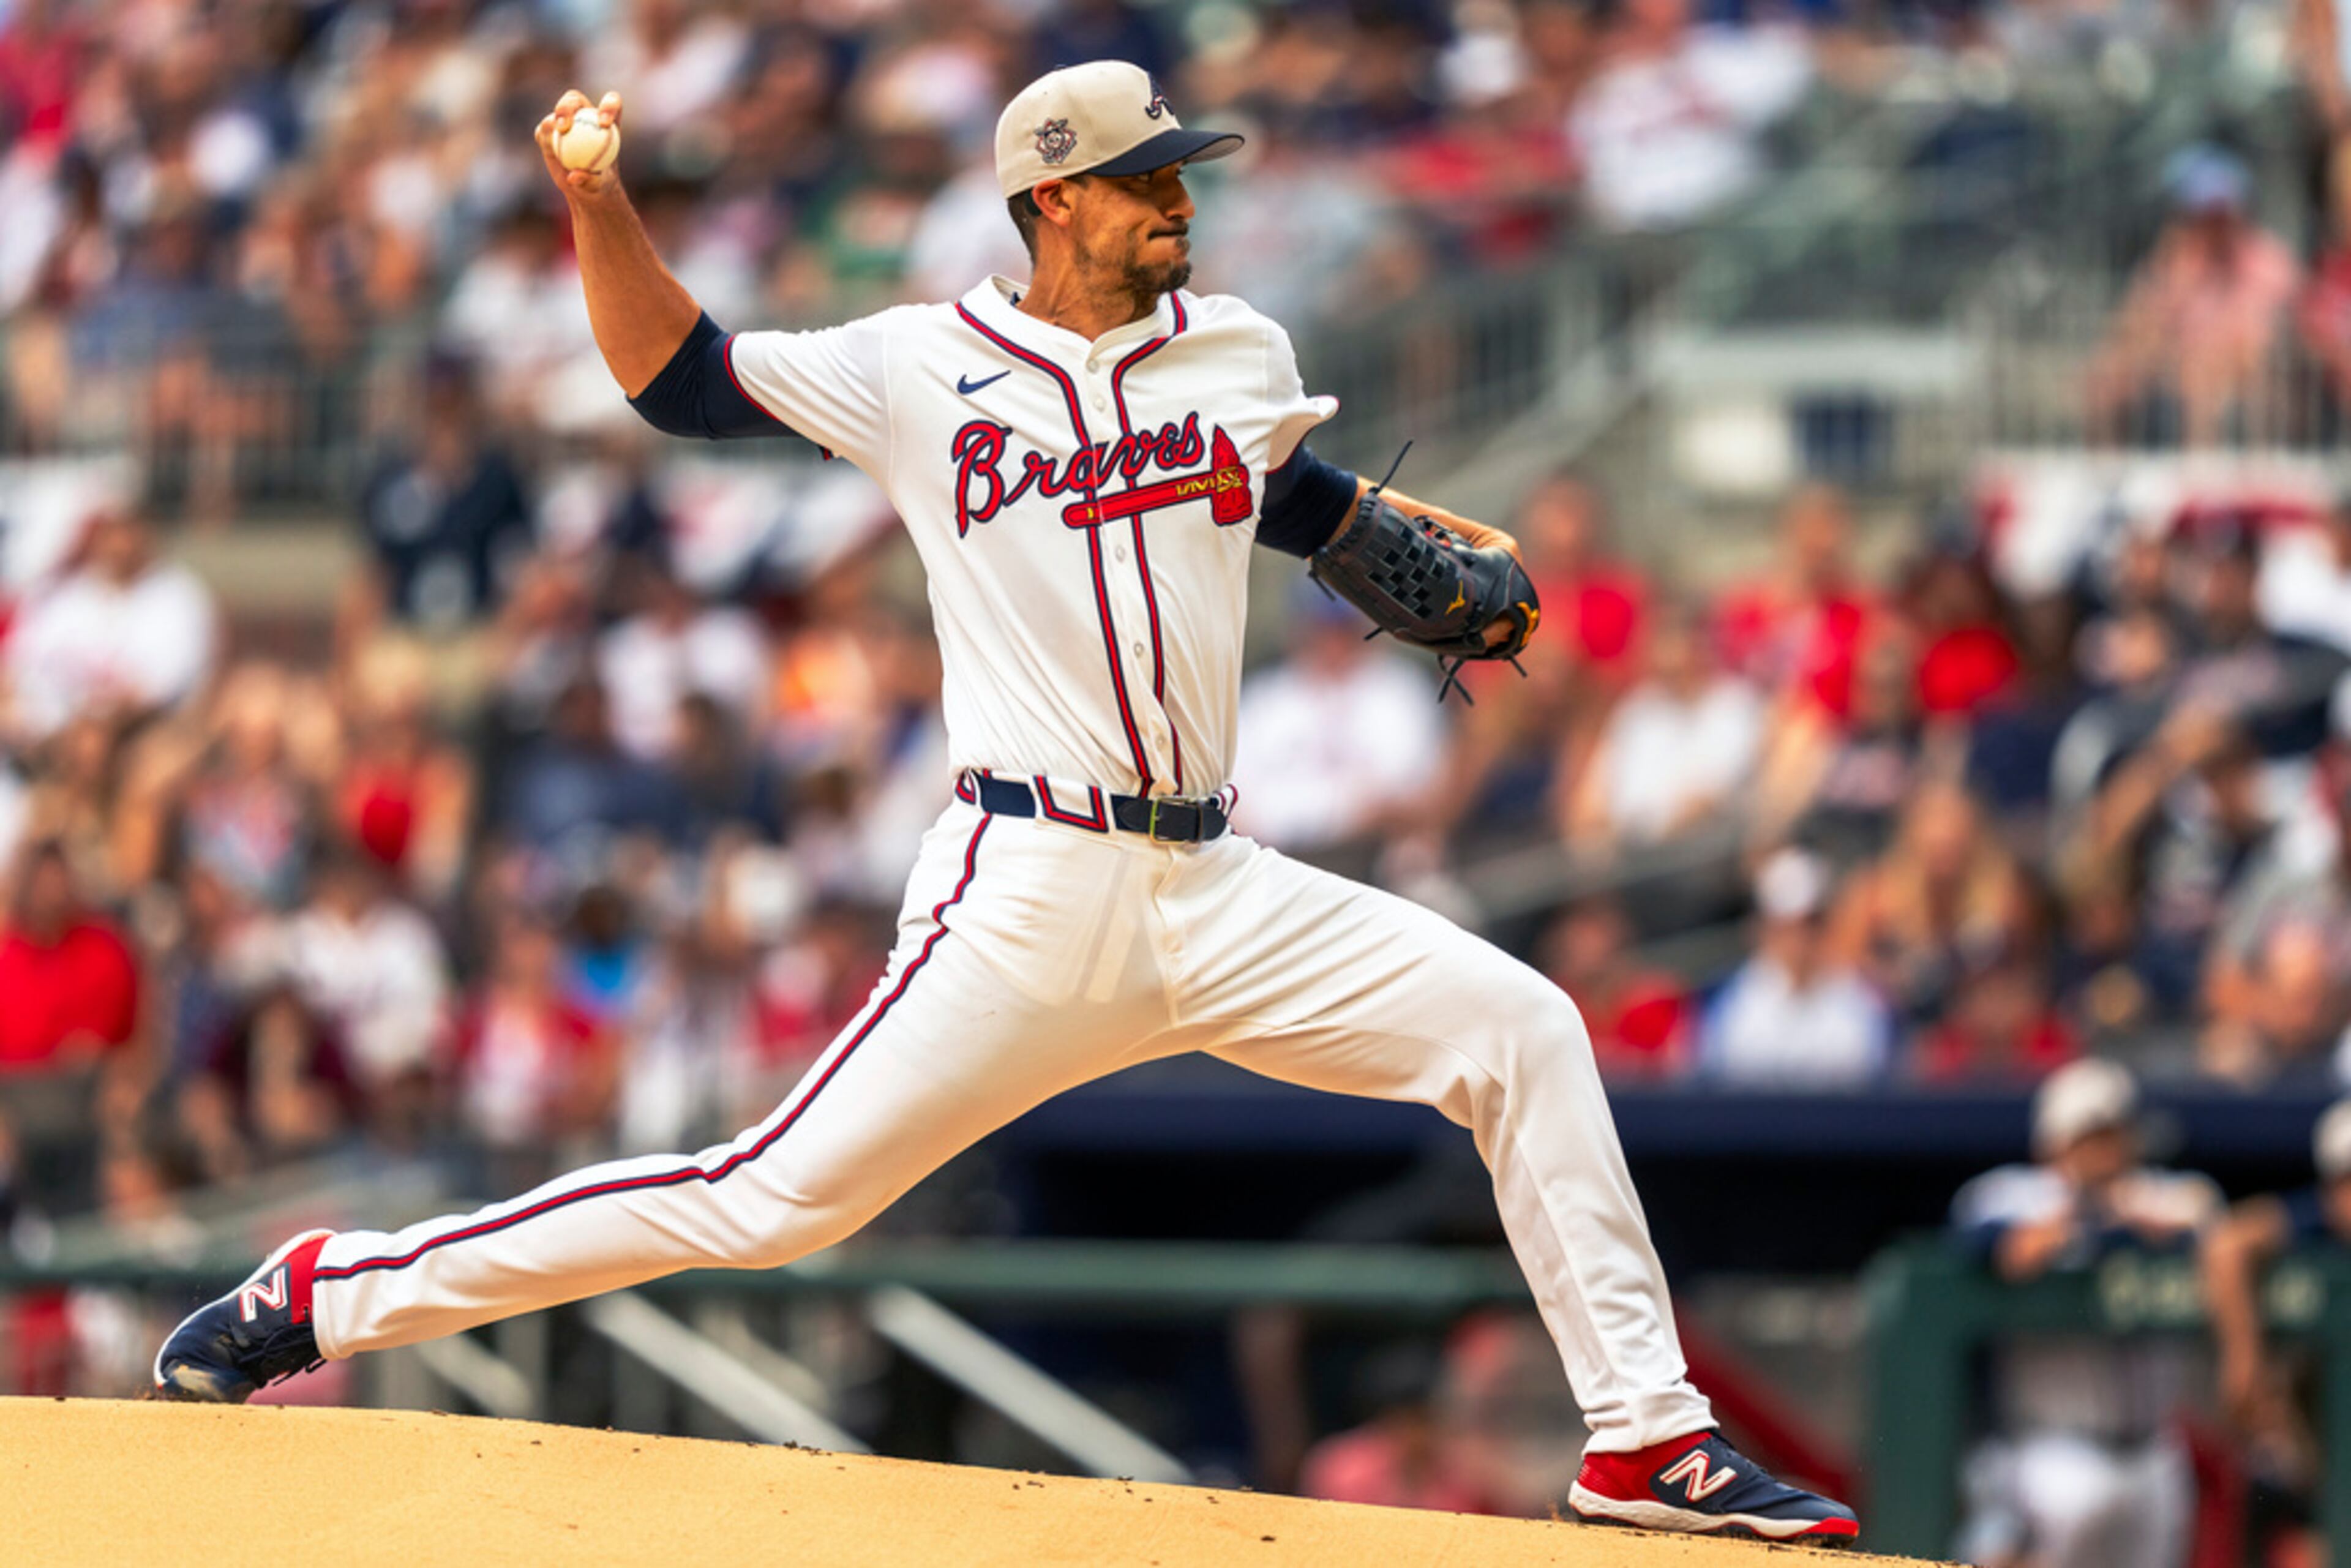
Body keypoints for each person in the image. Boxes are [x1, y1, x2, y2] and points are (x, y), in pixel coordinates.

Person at [152, 64, 1856, 1543]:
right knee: (766, 1200)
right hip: (1027, 885)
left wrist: (1380, 543)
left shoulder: (1238, 351)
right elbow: (677, 377)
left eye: (1182, 173)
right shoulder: (918, 365)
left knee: (1524, 1029)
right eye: (1146, 179)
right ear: (1054, 200)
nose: (1179, 201)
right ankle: (326, 1290)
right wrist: (598, 200)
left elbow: (1295, 498)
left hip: (1222, 883)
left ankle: (1646, 1439)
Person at [1948, 1060, 2218, 1568]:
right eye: (2091, 1137)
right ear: (2054, 1143)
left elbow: (2207, 1221)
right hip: (2056, 1449)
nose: (2106, 1150)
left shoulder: (2161, 1194)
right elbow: (1984, 1239)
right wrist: (2073, 1222)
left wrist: (2124, 1220)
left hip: (2154, 1448)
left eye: (2115, 1133)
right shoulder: (2015, 1194)